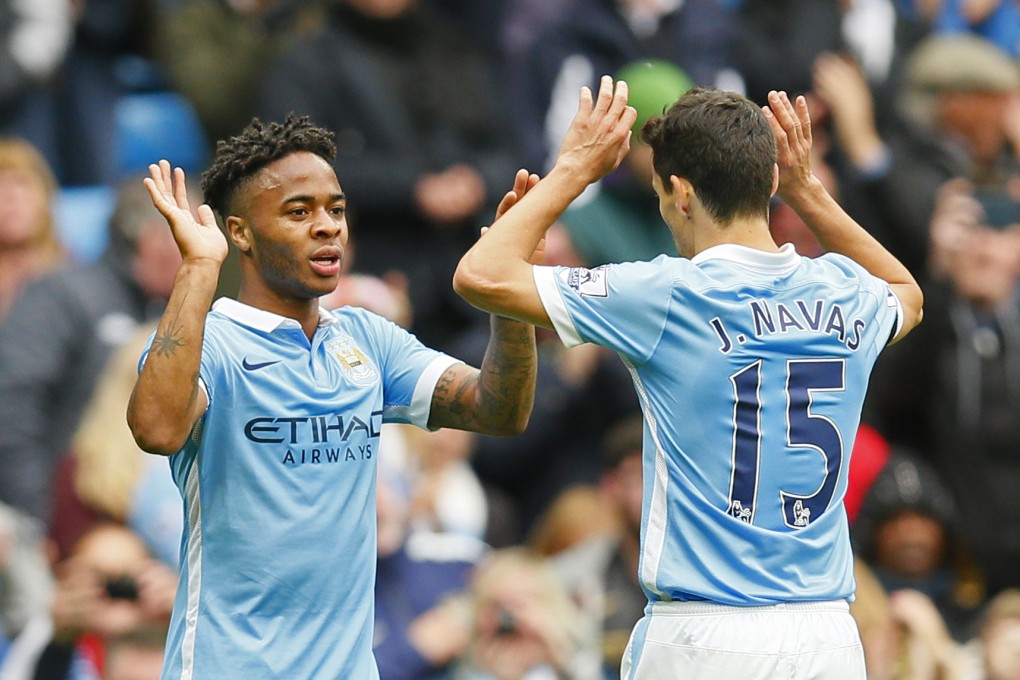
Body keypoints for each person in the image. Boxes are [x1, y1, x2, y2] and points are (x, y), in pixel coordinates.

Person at [453, 78, 923, 679]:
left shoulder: (667, 293)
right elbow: (908, 293)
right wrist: (807, 190)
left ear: (680, 193)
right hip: (827, 634)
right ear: (769, 181)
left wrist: (574, 170)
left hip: (705, 635)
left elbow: (482, 274)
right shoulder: (844, 290)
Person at [126, 114, 538, 678]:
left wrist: (510, 291)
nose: (327, 227)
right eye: (299, 212)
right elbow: (156, 429)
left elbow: (499, 409)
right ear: (240, 233)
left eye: (336, 210)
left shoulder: (369, 339)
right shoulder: (212, 343)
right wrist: (198, 267)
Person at [0, 175, 182, 524]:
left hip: (147, 515)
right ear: (151, 239)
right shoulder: (63, 295)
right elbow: (11, 410)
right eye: (185, 238)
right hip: (63, 514)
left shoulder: (179, 310)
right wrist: (48, 521)